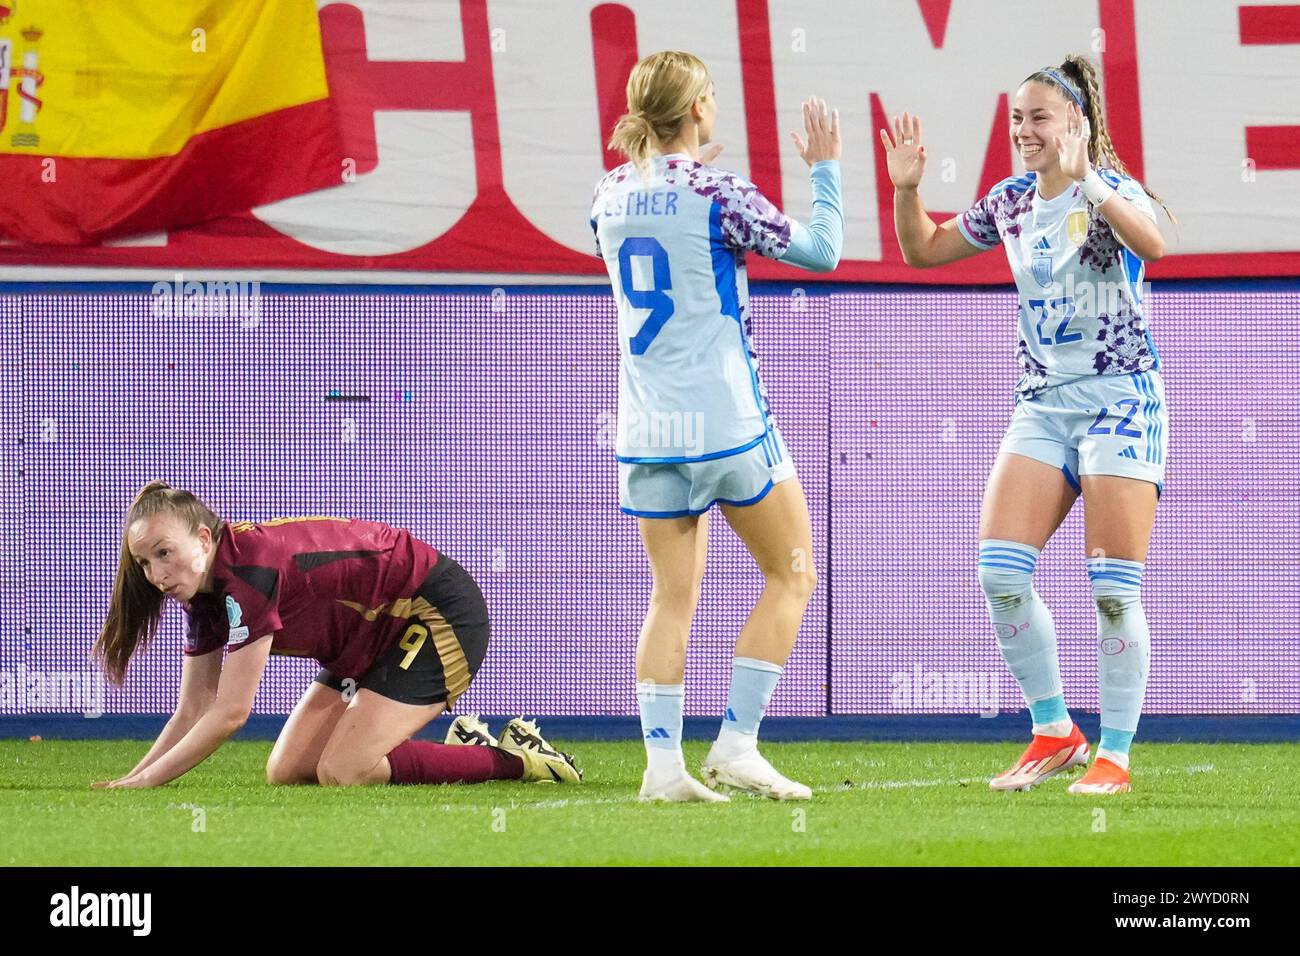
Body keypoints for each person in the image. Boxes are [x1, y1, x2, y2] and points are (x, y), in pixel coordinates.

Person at [880, 55, 1173, 795]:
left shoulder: (1110, 192)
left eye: (1039, 117)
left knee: (1111, 590)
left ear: (1075, 122)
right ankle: (1053, 730)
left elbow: (1155, 245)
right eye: (1017, 118)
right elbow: (923, 250)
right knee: (1000, 574)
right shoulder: (1011, 202)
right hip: (1043, 406)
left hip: (1119, 401)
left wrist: (1094, 183)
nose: (1024, 130)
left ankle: (1115, 754)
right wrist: (906, 192)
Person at [591, 51, 843, 802]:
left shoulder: (606, 194)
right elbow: (822, 251)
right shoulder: (719, 193)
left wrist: (684, 175)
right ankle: (735, 744)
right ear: (699, 108)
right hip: (726, 423)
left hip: (645, 429)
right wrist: (824, 169)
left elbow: (656, 226)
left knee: (671, 597)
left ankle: (663, 769)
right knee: (792, 574)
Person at [91, 481, 581, 789]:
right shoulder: (205, 592)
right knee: (287, 771)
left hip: (436, 614)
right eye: (144, 562)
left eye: (163, 553)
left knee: (344, 770)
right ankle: (468, 747)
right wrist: (133, 777)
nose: (156, 574)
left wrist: (149, 783)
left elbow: (229, 712)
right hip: (367, 638)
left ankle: (516, 762)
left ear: (202, 539)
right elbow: (194, 706)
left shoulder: (247, 574)